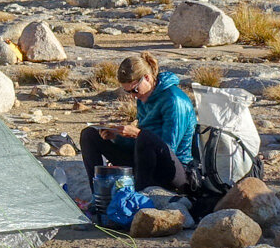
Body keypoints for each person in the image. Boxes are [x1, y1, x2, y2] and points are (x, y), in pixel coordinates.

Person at [79, 52, 195, 193]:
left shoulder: (174, 100)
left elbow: (168, 148)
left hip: (175, 170)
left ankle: (139, 197)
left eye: (134, 90)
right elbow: (140, 145)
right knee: (90, 135)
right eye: (128, 92)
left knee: (144, 138)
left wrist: (138, 134)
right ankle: (97, 195)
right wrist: (117, 137)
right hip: (144, 162)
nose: (134, 96)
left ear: (147, 78)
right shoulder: (143, 98)